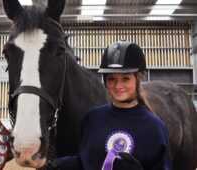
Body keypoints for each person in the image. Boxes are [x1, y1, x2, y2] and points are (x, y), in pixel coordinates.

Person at [44, 40, 172, 170]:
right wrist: (57, 165)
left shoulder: (155, 127)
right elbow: (85, 161)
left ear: (138, 78)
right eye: (111, 79)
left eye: (125, 78)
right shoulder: (92, 119)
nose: (118, 86)